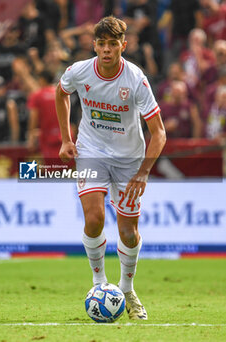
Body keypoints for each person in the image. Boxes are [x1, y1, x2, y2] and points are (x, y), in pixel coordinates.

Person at [55, 16, 166, 320]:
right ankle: (99, 284)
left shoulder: (135, 79)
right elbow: (61, 92)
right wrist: (67, 139)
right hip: (91, 151)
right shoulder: (79, 71)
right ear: (94, 46)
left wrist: (143, 172)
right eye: (101, 44)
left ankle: (127, 289)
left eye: (112, 44)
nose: (106, 49)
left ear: (123, 46)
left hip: (130, 159)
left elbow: (159, 132)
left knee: (128, 233)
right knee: (94, 218)